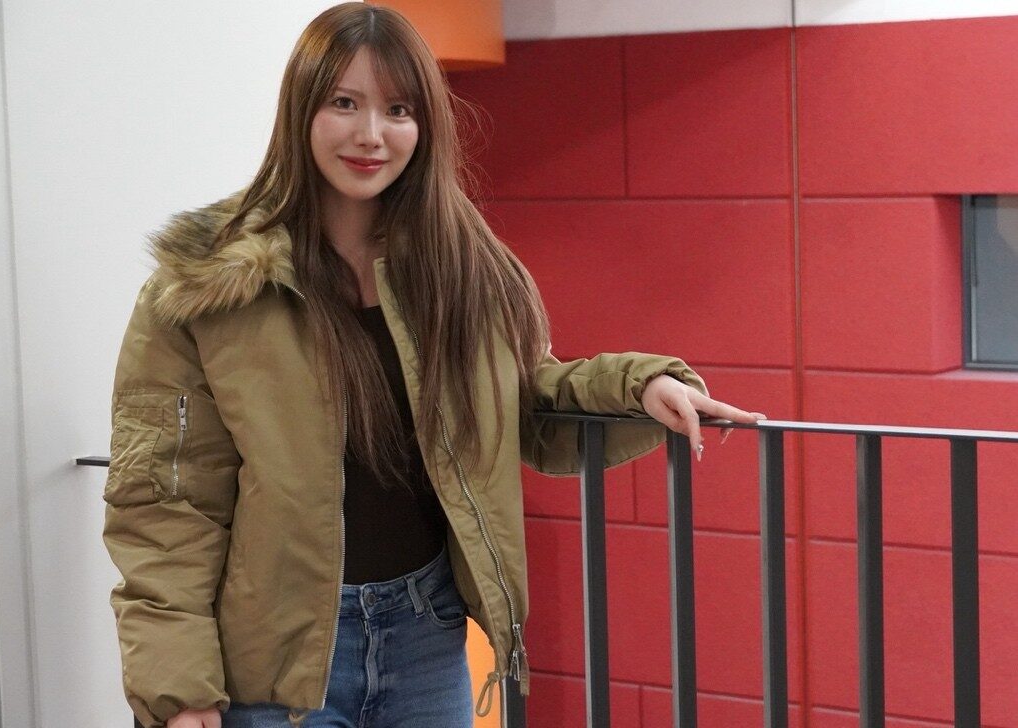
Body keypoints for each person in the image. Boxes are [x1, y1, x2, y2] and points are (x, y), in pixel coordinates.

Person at [101, 4, 765, 728]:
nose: (371, 134)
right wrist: (180, 687)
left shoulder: (456, 262)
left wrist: (642, 385)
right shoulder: (208, 284)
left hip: (426, 635)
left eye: (398, 110)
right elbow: (165, 504)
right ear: (300, 111)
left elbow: (522, 399)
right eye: (343, 103)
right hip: (275, 657)